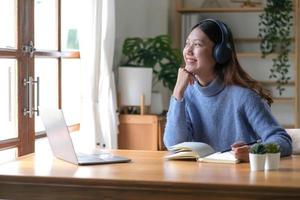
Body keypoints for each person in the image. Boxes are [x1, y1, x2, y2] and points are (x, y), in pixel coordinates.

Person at [163, 19, 292, 162]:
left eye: (197, 44)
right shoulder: (185, 95)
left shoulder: (245, 96)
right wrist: (177, 93)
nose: (188, 50)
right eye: (187, 43)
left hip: (240, 179)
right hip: (199, 178)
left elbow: (283, 141)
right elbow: (174, 145)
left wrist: (253, 152)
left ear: (220, 52)